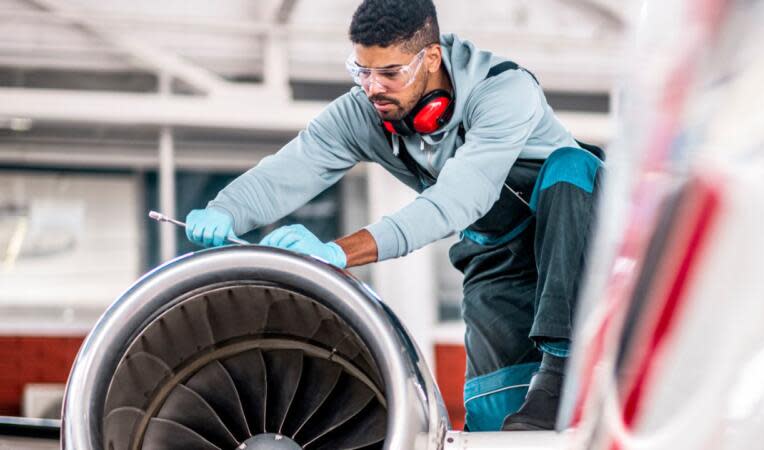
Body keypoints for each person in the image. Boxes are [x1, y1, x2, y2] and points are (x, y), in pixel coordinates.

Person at [185, 0, 603, 432]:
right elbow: (292, 167)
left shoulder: (504, 90)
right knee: (496, 424)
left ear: (432, 59)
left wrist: (339, 251)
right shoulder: (366, 112)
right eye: (361, 71)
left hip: (576, 241)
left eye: (390, 73)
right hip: (495, 257)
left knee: (572, 166)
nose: (372, 88)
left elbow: (459, 199)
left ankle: (562, 363)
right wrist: (225, 209)